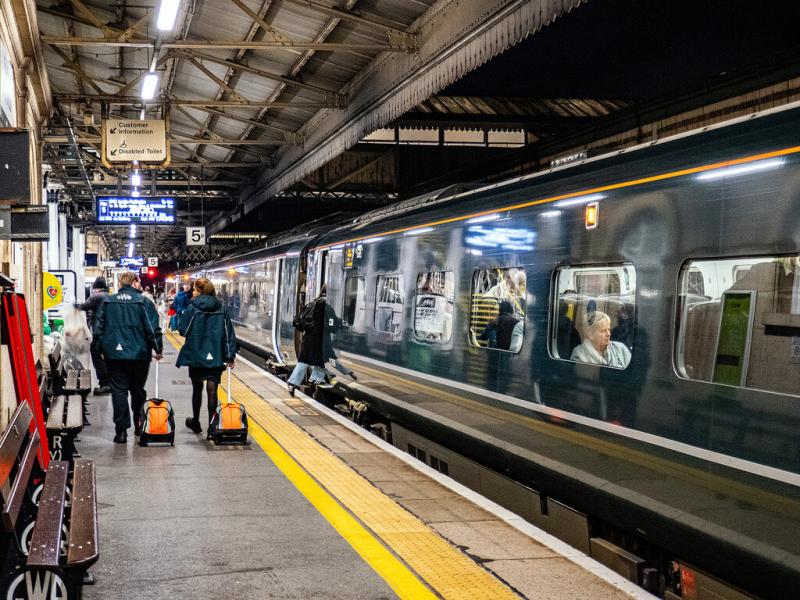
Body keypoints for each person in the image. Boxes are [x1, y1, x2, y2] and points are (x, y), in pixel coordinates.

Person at [94, 272, 163, 443]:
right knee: (137, 389)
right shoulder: (143, 302)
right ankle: (139, 425)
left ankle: (121, 432)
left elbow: (98, 329)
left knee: (119, 391)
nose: (139, 285)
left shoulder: (108, 301)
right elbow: (152, 328)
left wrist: (100, 349)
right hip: (139, 355)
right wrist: (158, 348)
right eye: (138, 282)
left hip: (114, 355)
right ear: (134, 283)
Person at [176, 278, 237, 437]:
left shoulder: (192, 308)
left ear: (200, 291)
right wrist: (230, 356)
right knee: (212, 389)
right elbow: (228, 333)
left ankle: (196, 422)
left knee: (197, 388)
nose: (193, 292)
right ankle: (212, 428)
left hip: (196, 353)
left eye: (195, 290)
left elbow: (183, 330)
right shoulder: (222, 308)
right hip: (216, 355)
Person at [287, 285, 330, 395]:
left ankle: (299, 381)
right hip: (317, 338)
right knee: (319, 359)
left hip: (309, 336)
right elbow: (326, 321)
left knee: (307, 361)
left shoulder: (316, 301)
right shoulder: (324, 303)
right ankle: (312, 379)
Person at [74, 276, 111, 394]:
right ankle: (109, 383)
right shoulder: (109, 297)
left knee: (96, 355)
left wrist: (73, 305)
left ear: (96, 288)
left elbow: (83, 306)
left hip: (99, 332)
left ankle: (104, 384)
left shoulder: (96, 296)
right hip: (108, 332)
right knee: (105, 357)